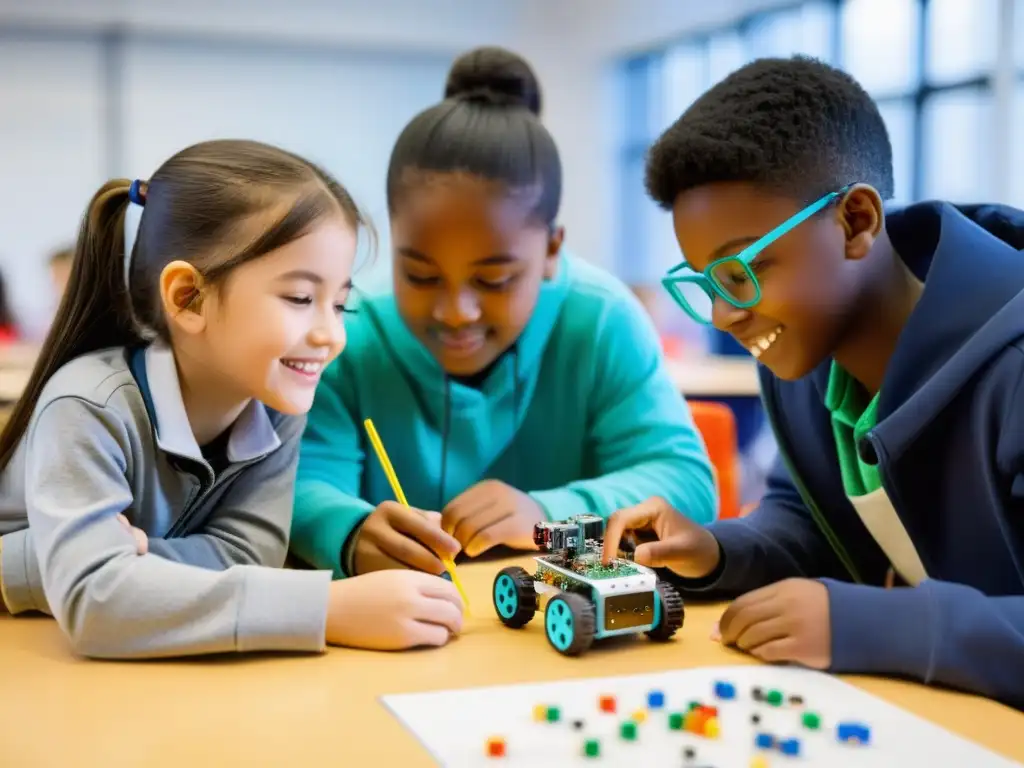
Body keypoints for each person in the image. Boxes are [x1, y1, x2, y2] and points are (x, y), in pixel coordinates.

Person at [602, 56, 1024, 708]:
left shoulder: (1013, 366)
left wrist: (872, 624)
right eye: (705, 282)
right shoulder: (806, 360)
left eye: (741, 271)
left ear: (856, 222)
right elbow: (810, 520)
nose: (724, 315)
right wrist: (715, 549)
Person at [0, 139, 464, 657]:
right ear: (188, 297)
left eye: (340, 305)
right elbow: (96, 601)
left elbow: (250, 553)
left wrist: (129, 563)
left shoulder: (274, 403)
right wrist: (327, 610)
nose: (331, 335)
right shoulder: (87, 407)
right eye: (301, 299)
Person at [290, 46, 715, 579]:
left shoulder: (601, 320)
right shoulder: (347, 332)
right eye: (419, 274)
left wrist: (548, 514)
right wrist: (349, 532)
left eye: (493, 279)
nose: (456, 312)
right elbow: (297, 486)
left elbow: (688, 487)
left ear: (552, 250)